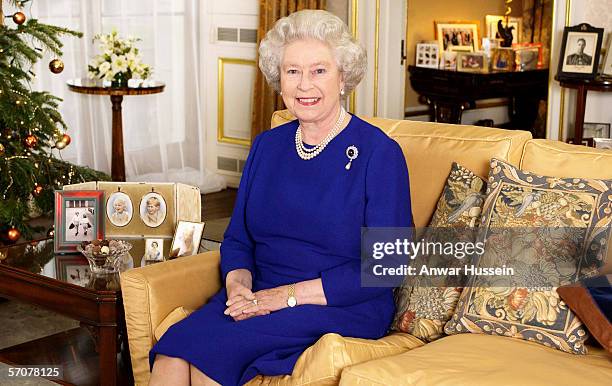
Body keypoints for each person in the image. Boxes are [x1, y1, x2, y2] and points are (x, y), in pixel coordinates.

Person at [149, 10, 412, 386]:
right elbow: (239, 238)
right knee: (172, 355)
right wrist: (238, 283)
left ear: (343, 78)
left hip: (340, 303)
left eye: (319, 71)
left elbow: (386, 267)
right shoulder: (267, 146)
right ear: (279, 79)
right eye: (293, 72)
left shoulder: (379, 154)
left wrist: (283, 297)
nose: (304, 85)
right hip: (259, 293)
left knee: (209, 362)